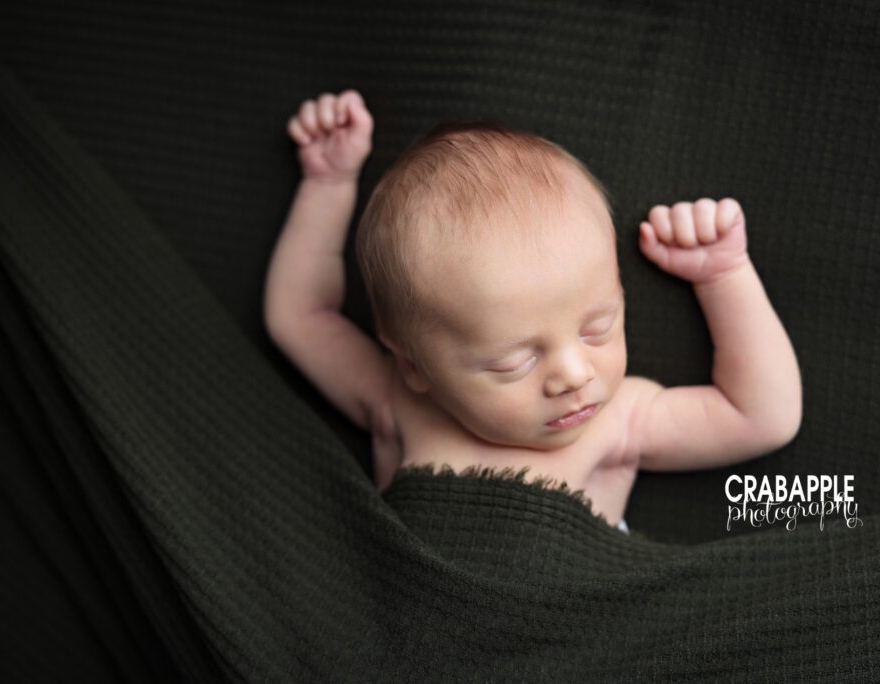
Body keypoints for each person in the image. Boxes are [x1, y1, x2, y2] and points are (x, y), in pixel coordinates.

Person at [264, 90, 802, 534]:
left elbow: (761, 417)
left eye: (598, 329)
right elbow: (300, 318)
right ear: (413, 365)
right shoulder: (397, 399)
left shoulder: (619, 419)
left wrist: (723, 276)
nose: (574, 374)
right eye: (513, 362)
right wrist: (328, 186)